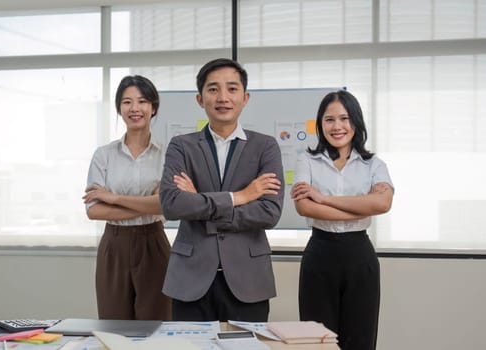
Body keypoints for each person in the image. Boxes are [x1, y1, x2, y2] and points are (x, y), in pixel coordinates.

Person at [159, 58, 284, 322]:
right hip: (190, 278)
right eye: (213, 89)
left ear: (245, 97)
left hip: (248, 279)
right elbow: (172, 205)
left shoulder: (265, 146)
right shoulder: (181, 146)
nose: (223, 97)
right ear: (200, 99)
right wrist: (240, 197)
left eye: (232, 89)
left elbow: (269, 212)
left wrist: (198, 203)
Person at [291, 90, 393, 350]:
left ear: (356, 122)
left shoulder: (374, 165)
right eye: (329, 119)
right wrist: (361, 206)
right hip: (320, 254)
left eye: (344, 118)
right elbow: (304, 207)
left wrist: (323, 199)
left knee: (360, 338)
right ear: (320, 124)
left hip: (360, 256)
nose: (337, 126)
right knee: (317, 340)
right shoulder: (307, 160)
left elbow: (382, 203)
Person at [83, 75, 171, 321]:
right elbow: (94, 211)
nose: (135, 108)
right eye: (127, 102)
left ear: (153, 108)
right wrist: (149, 204)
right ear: (119, 109)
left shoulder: (169, 154)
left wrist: (112, 197)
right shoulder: (104, 155)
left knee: (157, 322)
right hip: (114, 244)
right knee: (114, 323)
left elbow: (166, 204)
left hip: (154, 242)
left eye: (142, 101)